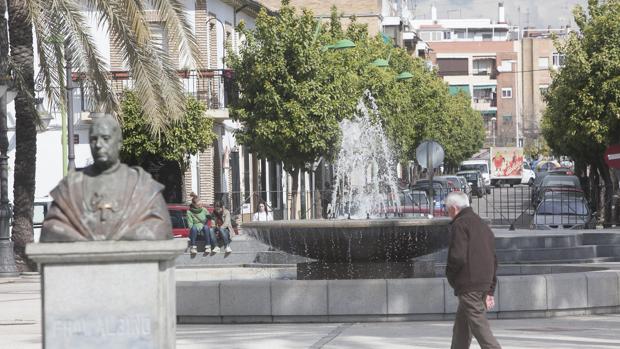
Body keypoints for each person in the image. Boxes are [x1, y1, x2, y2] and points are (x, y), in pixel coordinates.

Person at [41, 115, 171, 241]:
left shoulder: (142, 186)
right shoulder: (70, 187)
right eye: (93, 139)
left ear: (119, 143)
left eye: (105, 138)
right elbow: (51, 228)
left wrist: (126, 235)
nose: (98, 145)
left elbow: (160, 227)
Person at [445, 191, 501, 349]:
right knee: (461, 329)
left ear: (454, 208)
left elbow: (457, 257)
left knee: (480, 328)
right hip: (482, 282)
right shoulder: (483, 225)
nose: (447, 212)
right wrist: (490, 288)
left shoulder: (460, 224)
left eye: (447, 209)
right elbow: (494, 259)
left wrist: (450, 276)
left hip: (469, 284)